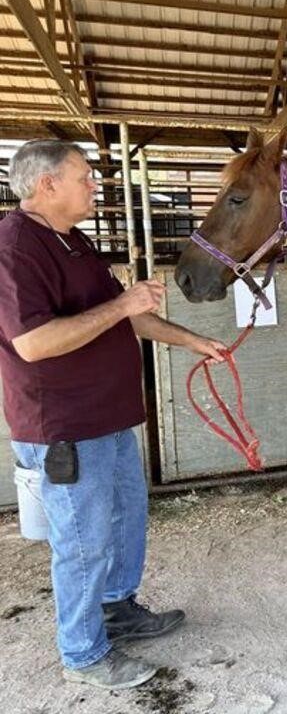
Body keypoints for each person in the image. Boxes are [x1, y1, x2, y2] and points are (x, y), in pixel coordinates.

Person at [0, 140, 227, 690]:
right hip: (65, 428)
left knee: (124, 522)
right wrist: (125, 303)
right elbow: (33, 343)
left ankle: (117, 609)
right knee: (83, 542)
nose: (94, 186)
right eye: (84, 177)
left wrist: (194, 341)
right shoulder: (13, 247)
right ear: (47, 183)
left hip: (108, 418)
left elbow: (125, 320)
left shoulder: (73, 242)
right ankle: (82, 653)